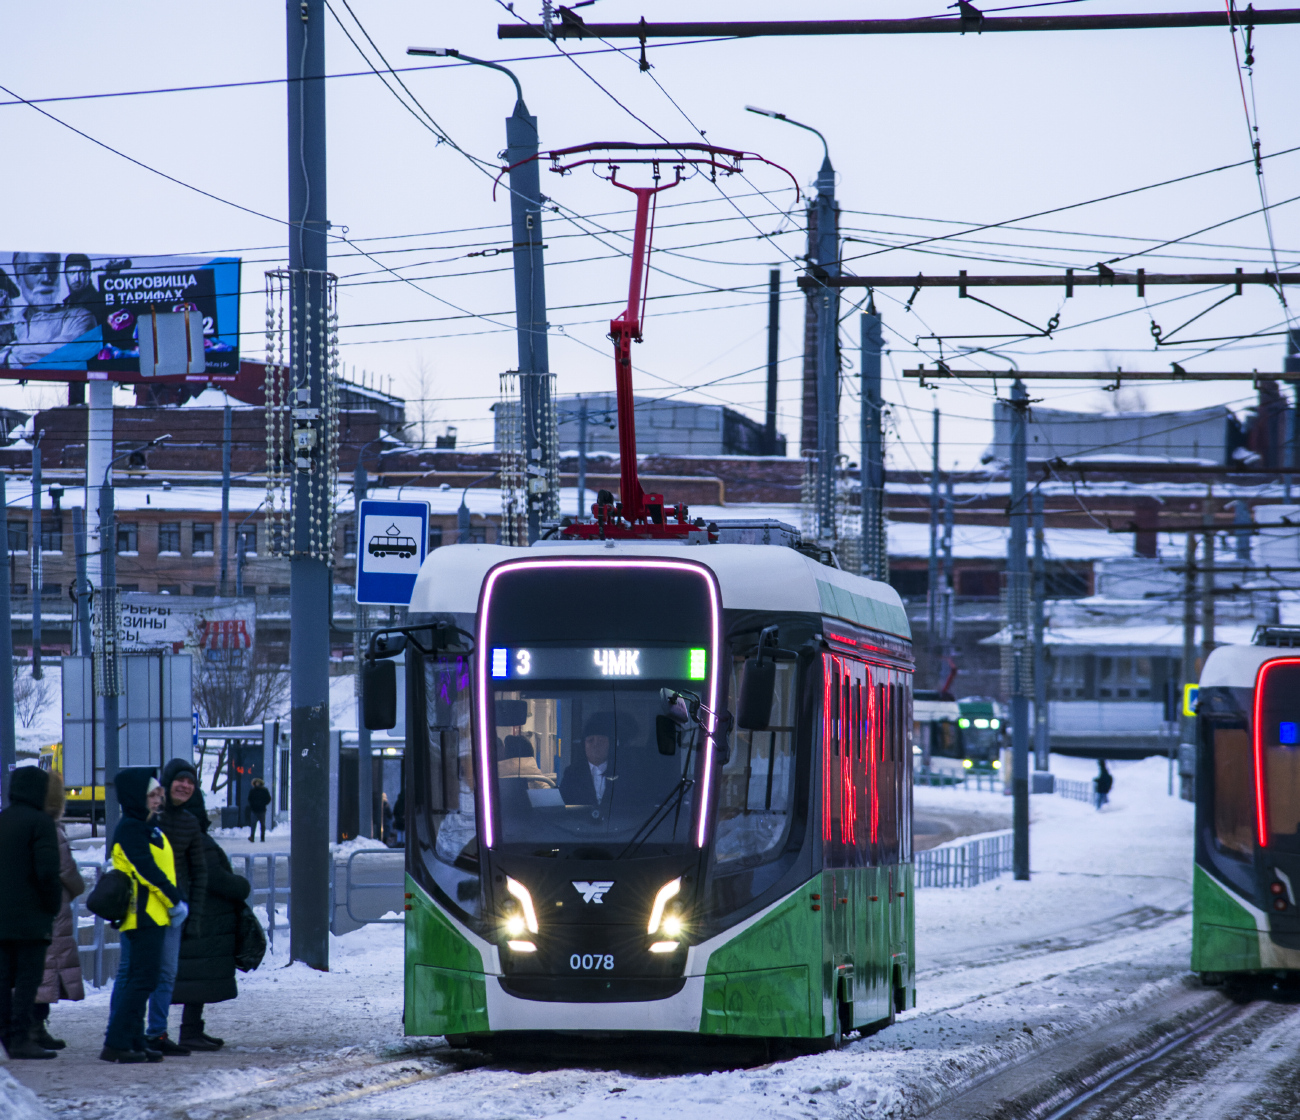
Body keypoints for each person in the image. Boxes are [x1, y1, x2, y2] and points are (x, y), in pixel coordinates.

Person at [101, 768, 185, 1064]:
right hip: (142, 916)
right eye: (151, 794)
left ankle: (133, 1040)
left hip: (154, 916)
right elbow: (145, 870)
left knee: (142, 980)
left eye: (158, 794)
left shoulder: (145, 825)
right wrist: (174, 900)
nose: (157, 799)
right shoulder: (131, 828)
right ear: (137, 797)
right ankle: (117, 1042)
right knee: (140, 981)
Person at [138, 759, 207, 1055]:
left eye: (191, 782)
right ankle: (126, 1032)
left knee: (166, 974)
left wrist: (195, 916)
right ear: (166, 784)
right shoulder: (148, 817)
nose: (186, 786)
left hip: (174, 911)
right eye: (180, 780)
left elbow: (199, 872)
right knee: (139, 973)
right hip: (143, 908)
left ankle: (157, 1033)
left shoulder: (191, 823)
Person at [172, 790, 251, 1051]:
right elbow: (216, 878)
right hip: (204, 918)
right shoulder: (197, 839)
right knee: (197, 978)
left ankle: (192, 1030)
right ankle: (189, 1032)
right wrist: (241, 886)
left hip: (194, 915)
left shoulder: (178, 835)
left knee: (193, 979)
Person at [0, 766, 62, 1059]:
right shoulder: (41, 823)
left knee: (1, 979)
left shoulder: (2, 820)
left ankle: (3, 1038)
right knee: (27, 981)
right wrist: (51, 906)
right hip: (32, 919)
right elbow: (48, 872)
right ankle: (21, 1038)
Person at [31, 772, 86, 1051]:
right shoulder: (52, 830)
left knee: (38, 970)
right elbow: (68, 871)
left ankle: (34, 1027)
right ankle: (36, 1028)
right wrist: (78, 887)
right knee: (47, 969)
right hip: (55, 911)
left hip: (35, 910)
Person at [559, 713, 617, 807]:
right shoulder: (572, 773)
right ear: (584, 745)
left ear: (610, 744)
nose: (595, 744)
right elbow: (564, 805)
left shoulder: (623, 772)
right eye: (590, 740)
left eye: (601, 740)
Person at [247, 778, 271, 842]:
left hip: (261, 810)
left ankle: (262, 837)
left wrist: (263, 804)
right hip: (255, 810)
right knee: (253, 824)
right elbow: (250, 799)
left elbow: (268, 799)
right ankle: (252, 837)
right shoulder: (253, 790)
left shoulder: (264, 790)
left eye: (258, 782)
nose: (257, 784)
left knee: (262, 825)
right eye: (256, 782)